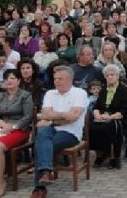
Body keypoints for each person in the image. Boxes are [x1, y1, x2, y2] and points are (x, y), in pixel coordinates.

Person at [30, 66, 88, 198]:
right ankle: (46, 173)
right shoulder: (50, 93)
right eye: (55, 78)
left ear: (70, 80)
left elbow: (73, 117)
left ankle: (39, 188)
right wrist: (63, 115)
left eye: (60, 79)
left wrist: (51, 119)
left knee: (41, 145)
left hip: (70, 132)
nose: (56, 81)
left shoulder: (80, 93)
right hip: (51, 129)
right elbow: (45, 113)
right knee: (42, 136)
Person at [0, 69, 33, 197]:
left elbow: (28, 117)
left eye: (12, 78)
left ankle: (0, 182)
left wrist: (13, 127)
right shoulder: (0, 96)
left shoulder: (25, 95)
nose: (9, 81)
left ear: (18, 81)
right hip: (2, 127)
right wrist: (3, 124)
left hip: (20, 129)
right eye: (6, 78)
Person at [90, 64, 127, 170]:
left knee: (109, 127)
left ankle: (113, 157)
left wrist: (110, 117)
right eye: (107, 75)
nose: (109, 77)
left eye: (112, 75)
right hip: (103, 116)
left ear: (118, 76)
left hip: (118, 117)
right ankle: (100, 154)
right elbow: (97, 106)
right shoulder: (103, 89)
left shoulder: (125, 90)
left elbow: (125, 109)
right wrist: (97, 114)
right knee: (91, 127)